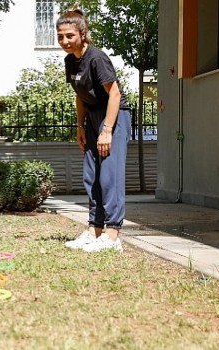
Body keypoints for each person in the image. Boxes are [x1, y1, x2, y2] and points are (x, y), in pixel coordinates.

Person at [57, 7, 131, 252]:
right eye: (60, 36)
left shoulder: (97, 58)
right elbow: (80, 96)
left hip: (114, 115)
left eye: (70, 35)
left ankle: (112, 236)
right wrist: (80, 125)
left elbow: (115, 94)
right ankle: (94, 231)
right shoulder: (70, 61)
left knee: (109, 175)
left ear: (82, 33)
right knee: (92, 175)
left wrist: (107, 129)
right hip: (91, 117)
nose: (65, 41)